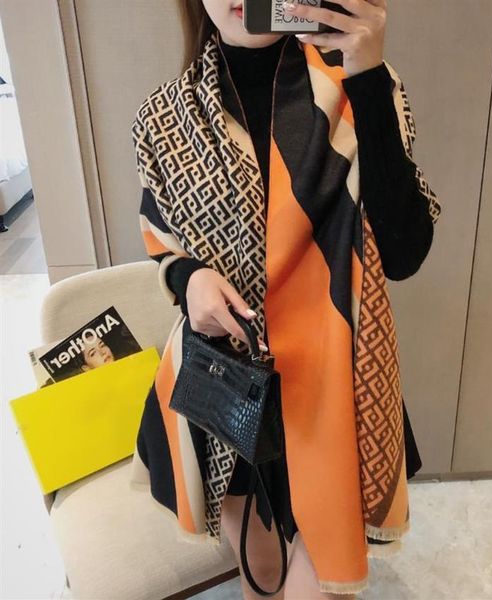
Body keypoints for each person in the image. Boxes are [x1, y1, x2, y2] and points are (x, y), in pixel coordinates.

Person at [130, 1, 441, 598]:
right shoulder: (163, 117)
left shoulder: (356, 85)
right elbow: (163, 244)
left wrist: (368, 78)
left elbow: (404, 254)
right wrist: (189, 280)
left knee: (314, 584)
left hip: (334, 382)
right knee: (262, 574)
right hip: (224, 383)